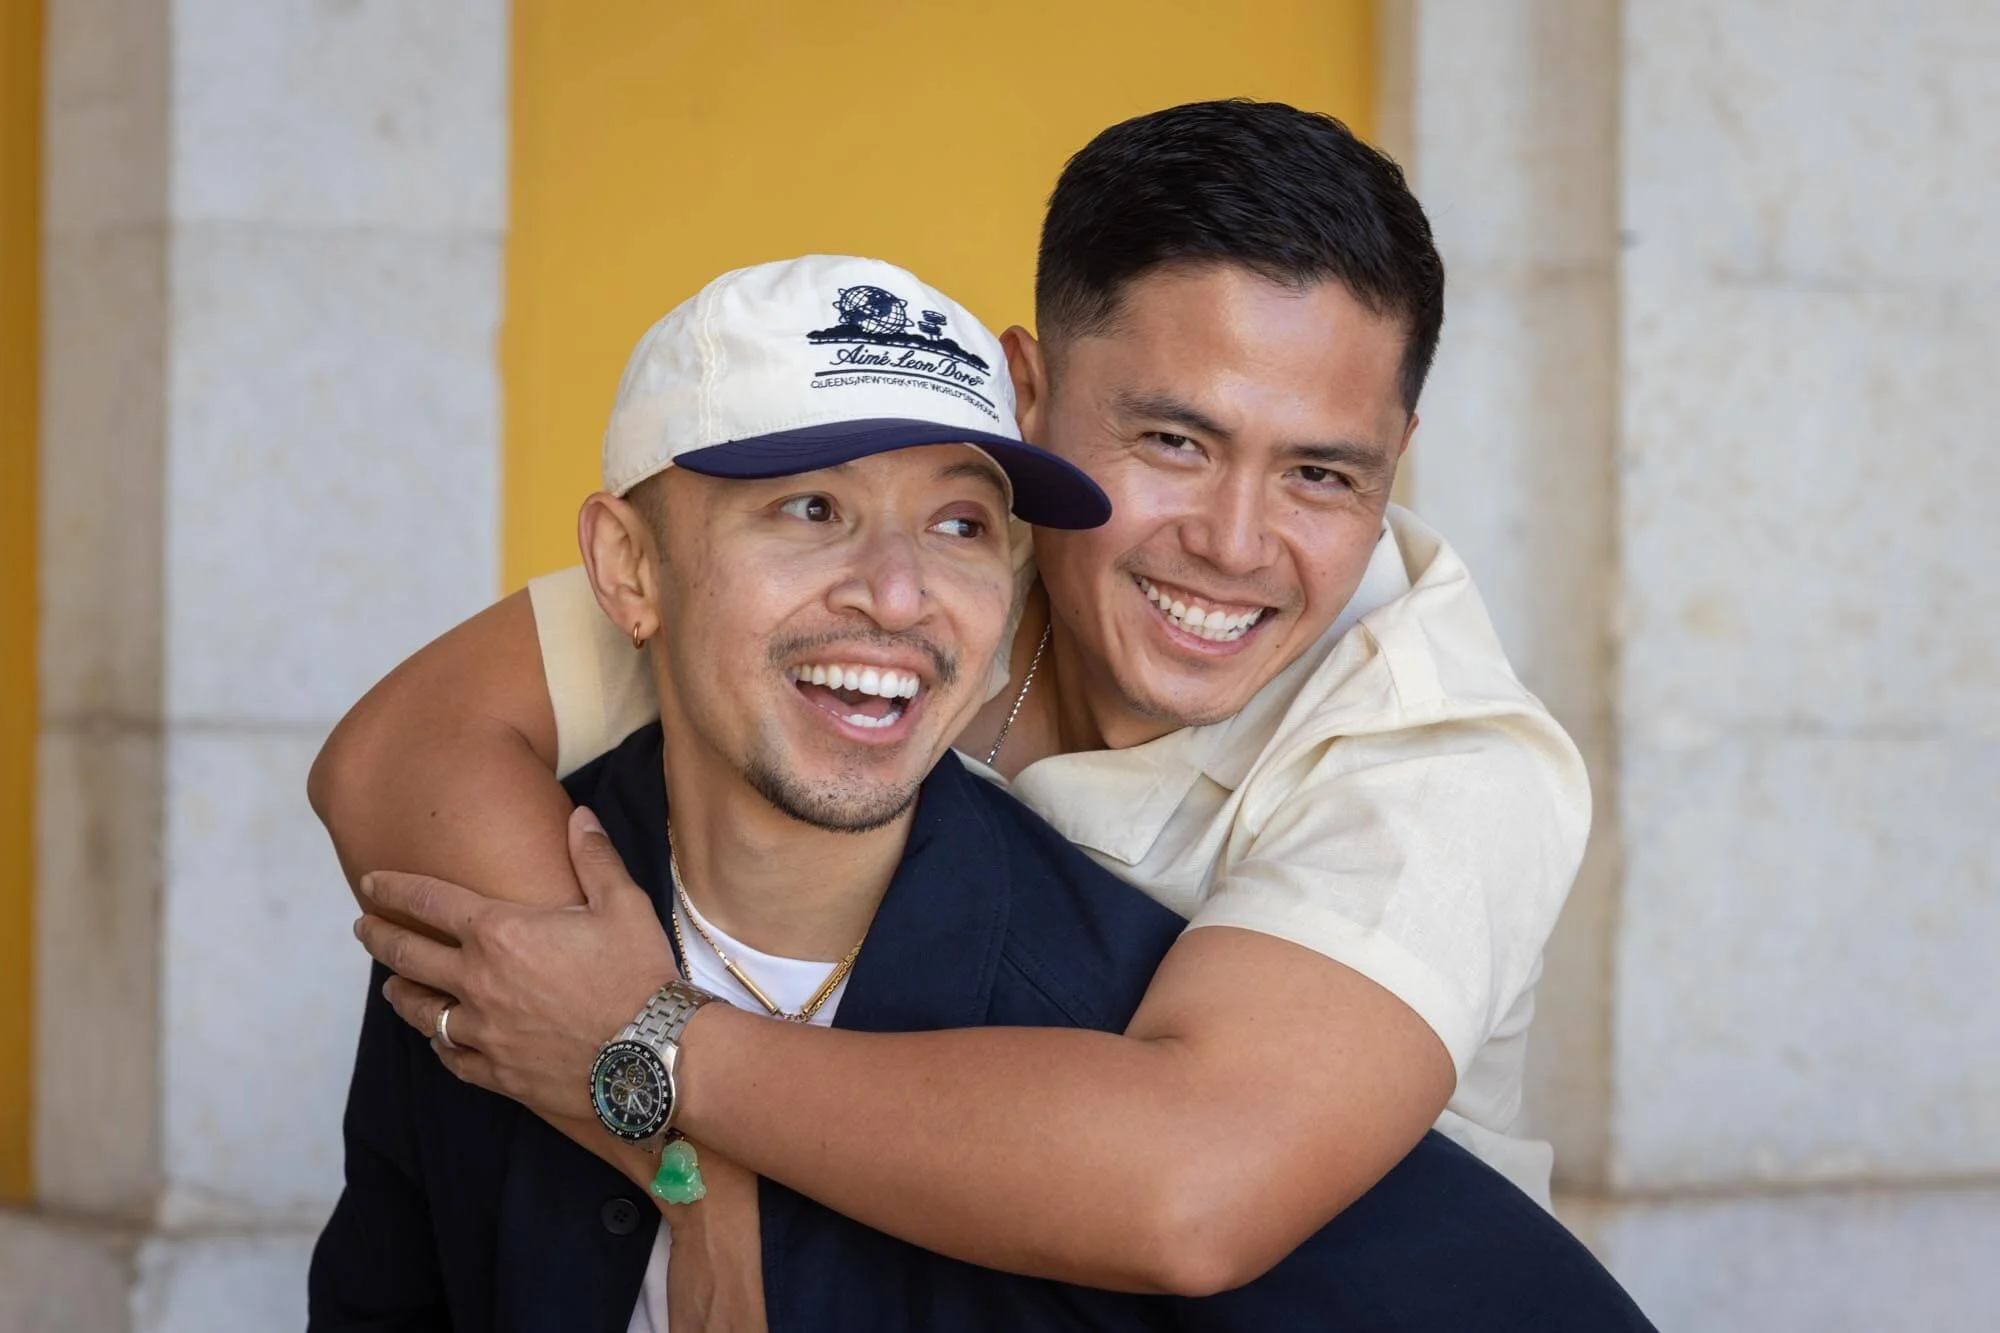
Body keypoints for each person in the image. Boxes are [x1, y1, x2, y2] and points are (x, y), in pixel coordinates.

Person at [319, 100, 1591, 1294]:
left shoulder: (1444, 753)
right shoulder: (931, 553)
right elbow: (400, 755)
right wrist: (680, 1173)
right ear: (1022, 393)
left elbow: (1188, 1191)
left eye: (1320, 473)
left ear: (1396, 458)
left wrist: (645, 1054)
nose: (1233, 543)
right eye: (1172, 442)